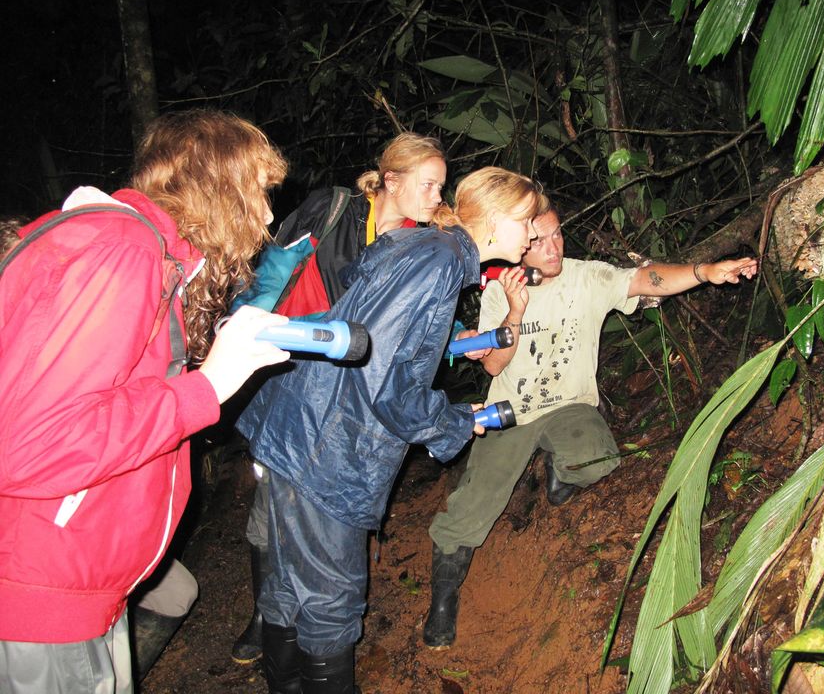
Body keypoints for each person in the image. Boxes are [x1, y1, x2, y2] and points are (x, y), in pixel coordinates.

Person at [0, 109, 292, 694]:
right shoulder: (123, 250)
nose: (266, 217)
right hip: (47, 590)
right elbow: (29, 444)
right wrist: (207, 387)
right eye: (259, 193)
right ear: (216, 185)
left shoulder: (145, 256)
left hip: (77, 585)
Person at [236, 166, 546, 694]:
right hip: (330, 448)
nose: (535, 235)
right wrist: (453, 422)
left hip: (298, 427)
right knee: (332, 601)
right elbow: (387, 382)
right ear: (494, 220)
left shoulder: (427, 246)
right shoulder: (442, 260)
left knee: (290, 588)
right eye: (528, 222)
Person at [423, 205, 758, 648]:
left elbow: (645, 278)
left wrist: (705, 271)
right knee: (472, 505)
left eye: (557, 235)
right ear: (520, 246)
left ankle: (561, 475)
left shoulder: (588, 276)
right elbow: (494, 365)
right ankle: (443, 599)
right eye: (539, 241)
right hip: (509, 412)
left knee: (598, 457)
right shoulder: (500, 291)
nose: (553, 247)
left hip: (570, 406)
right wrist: (515, 311)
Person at [230, 132, 456, 665]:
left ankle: (289, 626)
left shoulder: (416, 245)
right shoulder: (333, 210)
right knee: (273, 509)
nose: (437, 198)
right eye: (429, 185)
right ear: (391, 180)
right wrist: (253, 335)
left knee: (321, 518)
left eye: (441, 188)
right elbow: (273, 273)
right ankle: (264, 616)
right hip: (291, 374)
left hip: (344, 404)